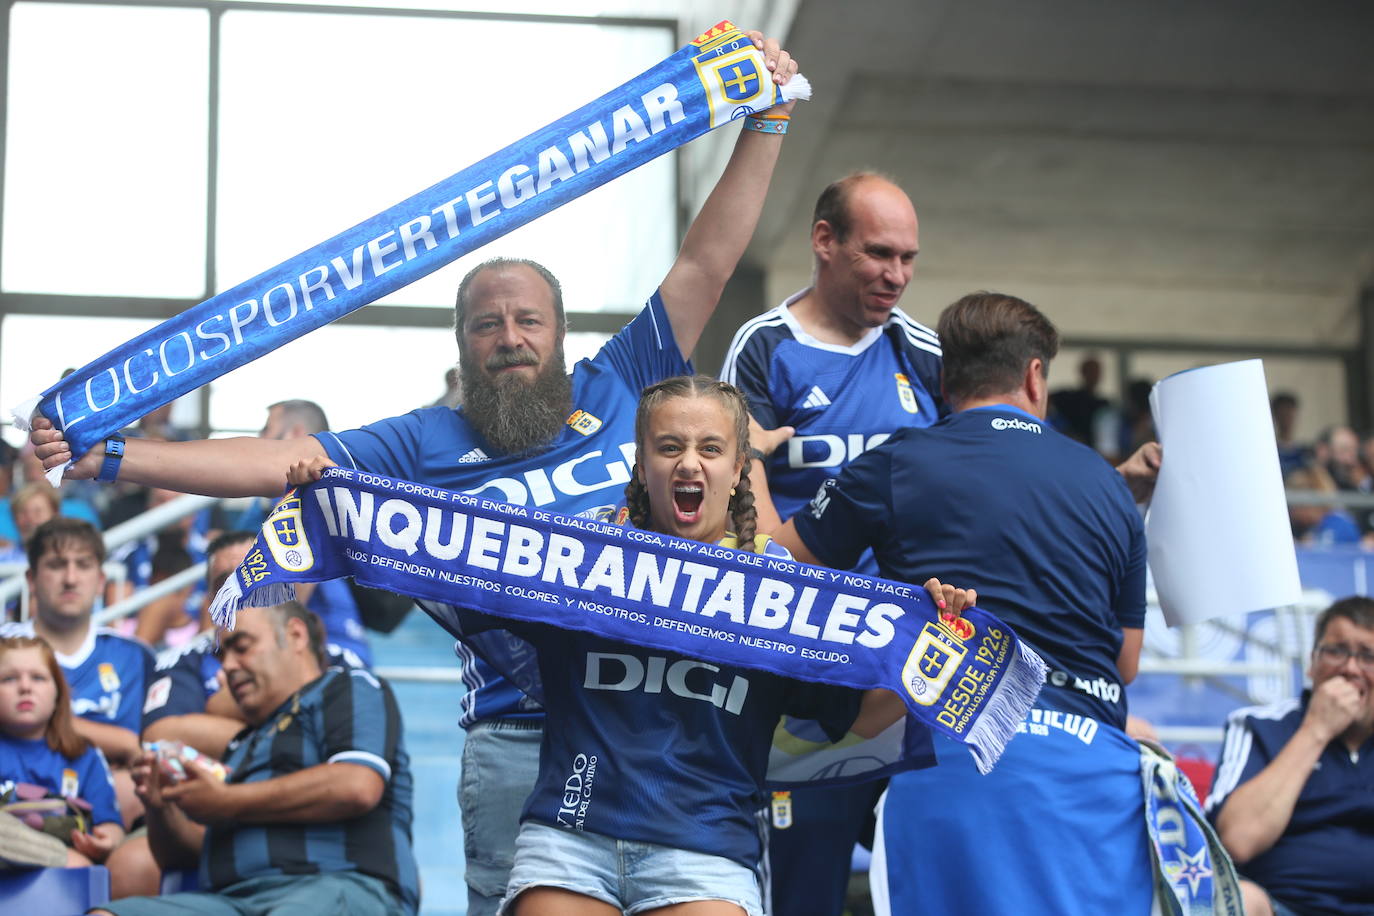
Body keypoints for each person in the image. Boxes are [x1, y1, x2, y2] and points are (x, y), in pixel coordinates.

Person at [31, 31, 799, 915]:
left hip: (661, 729)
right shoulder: (421, 441)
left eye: (528, 321)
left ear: (559, 333)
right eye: (486, 326)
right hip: (518, 737)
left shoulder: (620, 380)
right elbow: (279, 462)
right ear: (462, 346)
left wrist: (767, 118)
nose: (510, 338)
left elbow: (706, 263)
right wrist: (118, 453)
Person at [381, 375, 968, 916]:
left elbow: (859, 718)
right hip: (569, 838)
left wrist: (941, 643)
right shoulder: (582, 556)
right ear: (641, 464)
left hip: (706, 854)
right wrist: (333, 495)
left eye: (710, 449)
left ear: (739, 469)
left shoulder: (783, 589)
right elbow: (439, 554)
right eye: (669, 447)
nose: (690, 463)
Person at [772, 291, 1157, 916]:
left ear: (944, 379)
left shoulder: (896, 462)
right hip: (1092, 772)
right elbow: (1127, 661)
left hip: (953, 762)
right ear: (1036, 376)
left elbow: (773, 575)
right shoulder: (1107, 486)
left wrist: (751, 464)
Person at [719, 172, 942, 915]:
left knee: (938, 884)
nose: (897, 276)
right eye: (879, 253)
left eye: (909, 258)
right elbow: (740, 521)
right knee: (802, 893)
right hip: (805, 673)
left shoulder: (928, 354)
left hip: (912, 672)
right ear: (824, 240)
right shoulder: (765, 349)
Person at [91, 600, 418, 916]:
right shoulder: (242, 743)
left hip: (336, 886)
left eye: (242, 647)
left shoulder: (347, 688)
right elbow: (183, 856)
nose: (228, 665)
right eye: (222, 655)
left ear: (295, 635)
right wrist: (160, 806)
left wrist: (227, 799)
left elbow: (356, 785)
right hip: (233, 901)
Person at [1205, 596, 1374, 916]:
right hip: (1281, 906)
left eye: (1368, 656)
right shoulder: (1260, 727)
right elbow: (1238, 841)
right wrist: (1316, 730)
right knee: (1237, 898)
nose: (1351, 668)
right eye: (1336, 651)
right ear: (1312, 663)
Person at [0, 518, 153, 829]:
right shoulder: (4, 649)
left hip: (119, 809)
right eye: (57, 565)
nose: (70, 579)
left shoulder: (135, 657)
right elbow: (128, 745)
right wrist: (119, 742)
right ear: (31, 579)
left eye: (82, 565)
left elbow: (149, 752)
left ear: (100, 581)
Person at [0, 634, 123, 869]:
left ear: (58, 692)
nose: (25, 687)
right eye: (8, 679)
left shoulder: (84, 755)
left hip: (63, 879)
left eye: (38, 678)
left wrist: (106, 841)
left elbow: (110, 825)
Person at [1048, 354, 1109, 447]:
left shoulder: (1104, 404)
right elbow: (1045, 400)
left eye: (1096, 371)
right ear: (1083, 372)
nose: (1094, 375)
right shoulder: (1067, 397)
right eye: (1091, 371)